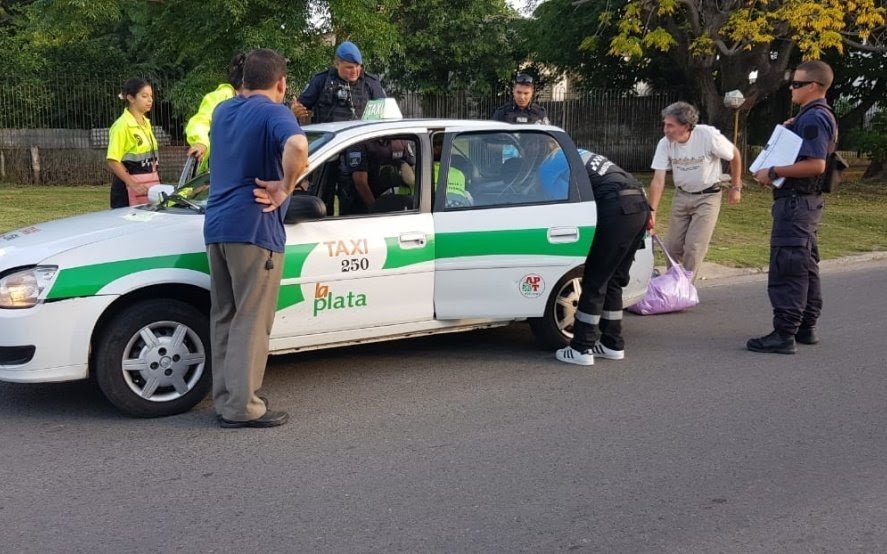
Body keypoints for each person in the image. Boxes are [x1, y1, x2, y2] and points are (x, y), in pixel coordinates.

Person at [204, 48, 309, 428]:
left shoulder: (223, 111)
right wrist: (284, 188)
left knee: (225, 317)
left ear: (244, 79)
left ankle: (228, 398)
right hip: (254, 229)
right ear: (281, 83)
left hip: (216, 228)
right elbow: (298, 147)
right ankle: (243, 408)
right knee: (251, 320)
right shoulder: (274, 112)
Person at [747, 60, 836, 355]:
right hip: (805, 203)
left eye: (797, 84)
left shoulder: (814, 118)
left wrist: (773, 172)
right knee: (805, 265)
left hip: (796, 203)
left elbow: (815, 164)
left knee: (788, 266)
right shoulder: (811, 116)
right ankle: (804, 326)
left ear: (813, 86)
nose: (791, 88)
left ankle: (784, 332)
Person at [556, 152, 652, 366]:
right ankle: (612, 344)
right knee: (614, 279)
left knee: (595, 279)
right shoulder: (580, 153)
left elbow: (556, 199)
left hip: (616, 207)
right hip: (639, 206)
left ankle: (581, 347)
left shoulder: (553, 164)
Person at [648, 101, 743, 282]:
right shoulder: (665, 144)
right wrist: (652, 212)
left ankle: (686, 288)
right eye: (665, 124)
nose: (665, 130)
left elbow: (734, 154)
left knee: (694, 246)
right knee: (672, 246)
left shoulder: (707, 135)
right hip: (682, 195)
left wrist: (736, 186)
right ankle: (673, 284)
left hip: (708, 196)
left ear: (686, 126)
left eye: (670, 125)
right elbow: (658, 179)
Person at [291, 41, 386, 124]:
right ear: (337, 64)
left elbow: (384, 116)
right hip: (332, 141)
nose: (355, 71)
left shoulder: (370, 83)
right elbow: (299, 107)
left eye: (358, 66)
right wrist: (294, 111)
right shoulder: (321, 81)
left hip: (361, 140)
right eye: (349, 67)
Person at [185, 53, 245, 174]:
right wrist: (200, 141)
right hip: (214, 172)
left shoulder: (250, 101)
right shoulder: (221, 97)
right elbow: (200, 121)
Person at [106, 78, 159, 208]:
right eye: (144, 96)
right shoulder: (122, 126)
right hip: (127, 192)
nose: (150, 100)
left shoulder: (146, 123)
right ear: (131, 98)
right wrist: (132, 184)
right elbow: (113, 160)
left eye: (151, 96)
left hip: (149, 187)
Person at [338, 138, 415, 214]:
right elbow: (360, 182)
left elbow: (414, 167)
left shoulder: (400, 139)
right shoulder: (360, 143)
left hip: (396, 204)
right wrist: (375, 210)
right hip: (363, 205)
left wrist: (403, 165)